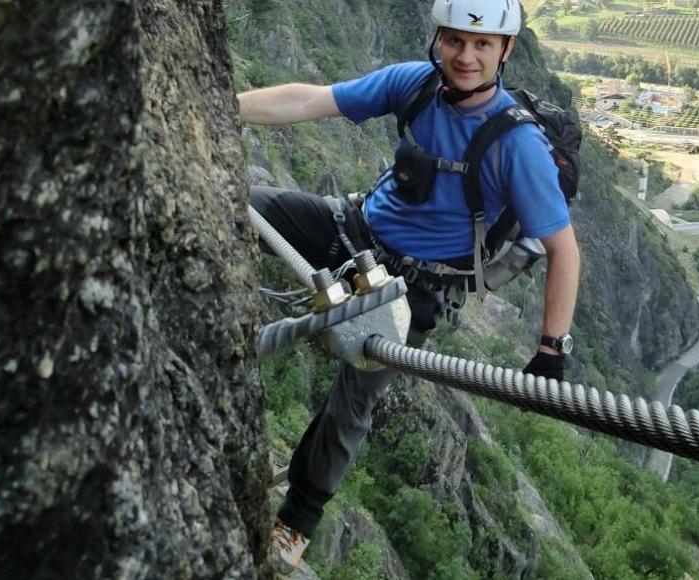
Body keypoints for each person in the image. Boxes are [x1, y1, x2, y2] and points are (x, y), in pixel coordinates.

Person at [235, 0, 580, 569]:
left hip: (414, 286)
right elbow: (311, 99)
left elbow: (563, 249)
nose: (465, 56)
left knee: (353, 399)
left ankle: (295, 522)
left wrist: (550, 350)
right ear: (438, 39)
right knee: (244, 204)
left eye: (482, 45)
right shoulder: (414, 84)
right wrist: (226, 106)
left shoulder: (517, 145)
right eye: (454, 41)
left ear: (505, 51)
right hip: (354, 228)